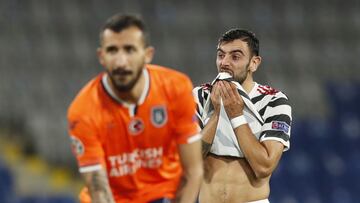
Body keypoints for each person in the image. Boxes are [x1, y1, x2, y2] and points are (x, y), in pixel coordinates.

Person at [67, 13, 203, 203]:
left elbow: (193, 171)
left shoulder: (176, 88)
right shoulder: (83, 110)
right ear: (101, 56)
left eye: (129, 50)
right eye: (112, 50)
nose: (121, 62)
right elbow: (98, 190)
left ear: (147, 55)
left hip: (165, 195)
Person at [193, 29, 292, 203]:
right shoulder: (200, 96)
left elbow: (264, 167)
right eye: (221, 55)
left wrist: (236, 115)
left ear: (254, 63)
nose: (224, 63)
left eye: (235, 57)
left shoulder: (274, 101)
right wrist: (215, 115)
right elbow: (189, 161)